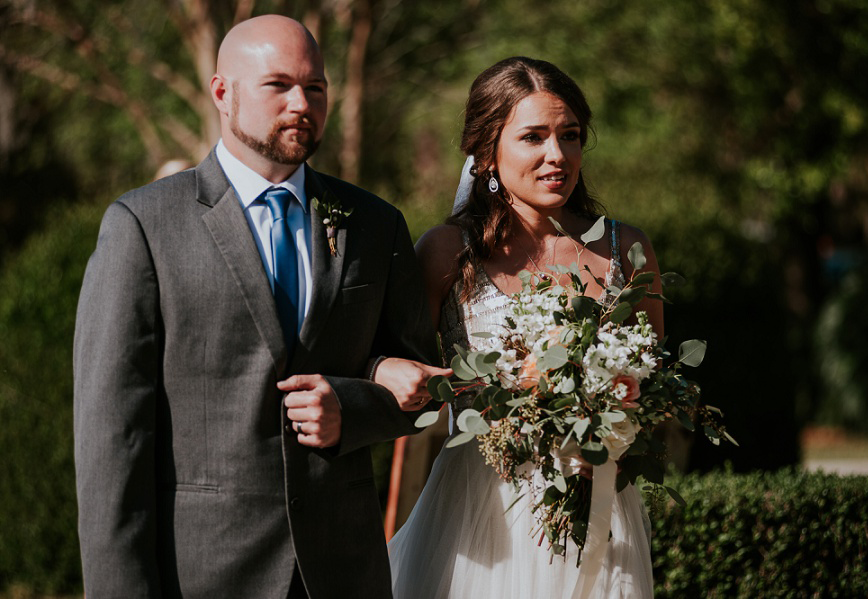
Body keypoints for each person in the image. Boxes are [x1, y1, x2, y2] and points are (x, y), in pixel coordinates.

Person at [73, 15, 444, 599]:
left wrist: (353, 404)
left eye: (315, 87)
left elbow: (427, 391)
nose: (302, 103)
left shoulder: (375, 224)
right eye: (279, 85)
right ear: (223, 93)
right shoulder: (143, 226)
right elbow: (111, 443)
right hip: (204, 573)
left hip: (343, 573)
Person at [385, 57, 662, 598]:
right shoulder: (445, 252)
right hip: (481, 515)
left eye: (570, 136)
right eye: (533, 137)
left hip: (599, 504)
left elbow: (652, 386)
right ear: (486, 153)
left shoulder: (625, 251)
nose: (557, 155)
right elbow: (406, 382)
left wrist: (616, 417)